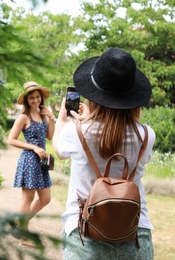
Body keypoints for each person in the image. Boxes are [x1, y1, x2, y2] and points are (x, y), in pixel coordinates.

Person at [52, 47, 155, 259]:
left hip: (85, 237)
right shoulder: (146, 135)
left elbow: (60, 152)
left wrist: (62, 119)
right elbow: (114, 132)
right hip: (135, 236)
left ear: (94, 94)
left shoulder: (75, 131)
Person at [8, 81, 55, 247]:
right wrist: (34, 147)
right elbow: (11, 140)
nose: (35, 100)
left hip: (41, 162)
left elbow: (50, 136)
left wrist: (51, 116)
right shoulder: (23, 117)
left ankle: (19, 224)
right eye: (32, 98)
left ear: (41, 98)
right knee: (27, 199)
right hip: (29, 160)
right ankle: (23, 236)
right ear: (27, 100)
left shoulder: (43, 116)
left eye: (37, 97)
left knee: (45, 198)